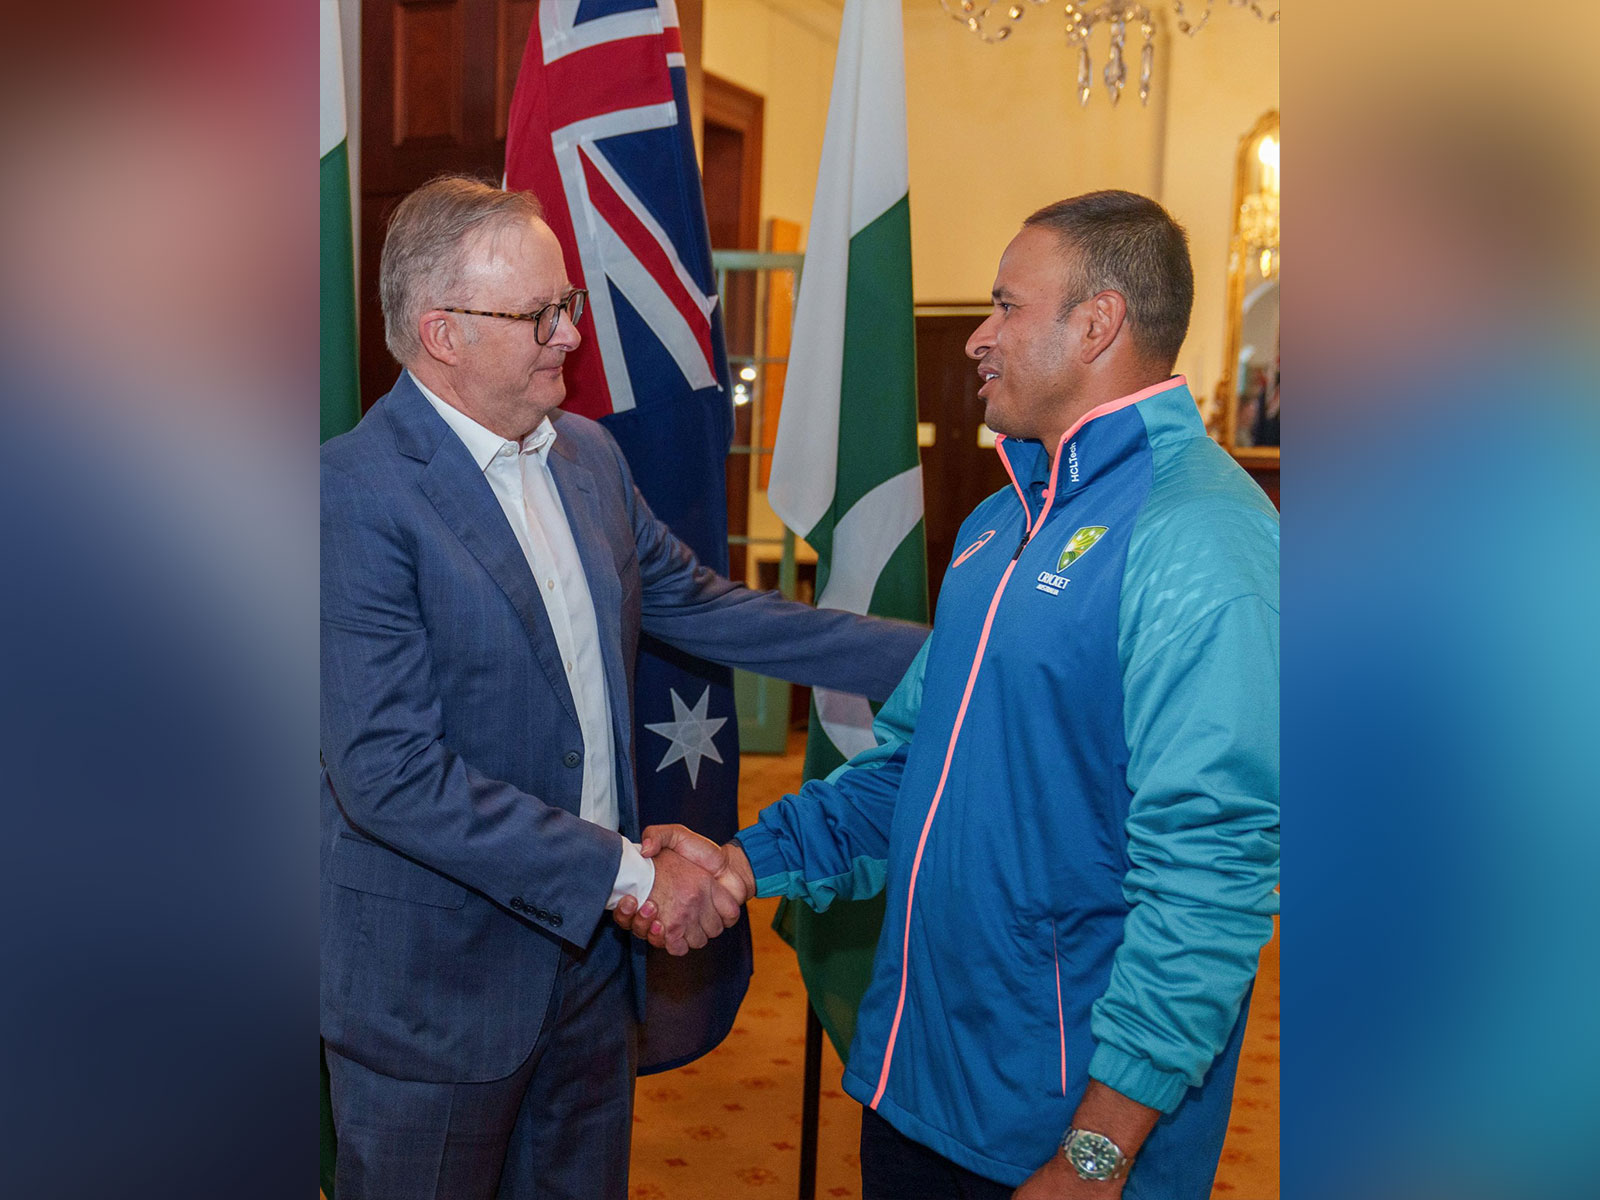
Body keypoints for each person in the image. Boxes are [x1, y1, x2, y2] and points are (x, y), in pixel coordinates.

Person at [621, 191, 1280, 1200]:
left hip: (1065, 1132)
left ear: (1096, 323)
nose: (976, 338)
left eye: (1005, 306)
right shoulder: (991, 525)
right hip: (917, 1085)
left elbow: (1211, 880)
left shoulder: (1199, 538)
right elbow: (905, 773)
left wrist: (1099, 1150)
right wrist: (745, 861)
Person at [319, 175, 927, 1200]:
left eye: (570, 306)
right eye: (540, 314)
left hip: (590, 974)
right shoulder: (348, 496)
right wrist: (632, 877)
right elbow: (390, 776)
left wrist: (955, 659)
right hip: (434, 987)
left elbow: (711, 609)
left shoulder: (588, 458)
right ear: (442, 333)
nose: (569, 335)